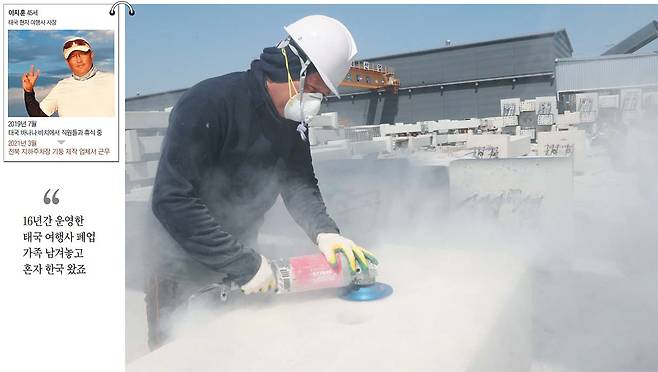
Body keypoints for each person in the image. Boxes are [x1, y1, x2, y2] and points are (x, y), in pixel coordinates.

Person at [147, 15, 378, 349]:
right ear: (290, 67)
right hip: (180, 266)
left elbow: (298, 183)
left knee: (230, 351)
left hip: (240, 255)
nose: (314, 103)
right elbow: (171, 200)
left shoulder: (292, 118)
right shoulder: (209, 103)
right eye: (313, 90)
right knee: (178, 354)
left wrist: (325, 231)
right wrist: (246, 265)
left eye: (322, 95)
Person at [22, 37, 114, 117]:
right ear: (67, 62)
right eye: (73, 56)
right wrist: (28, 91)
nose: (78, 60)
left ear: (91, 55)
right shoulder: (61, 86)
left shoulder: (114, 80)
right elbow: (38, 115)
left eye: (82, 54)